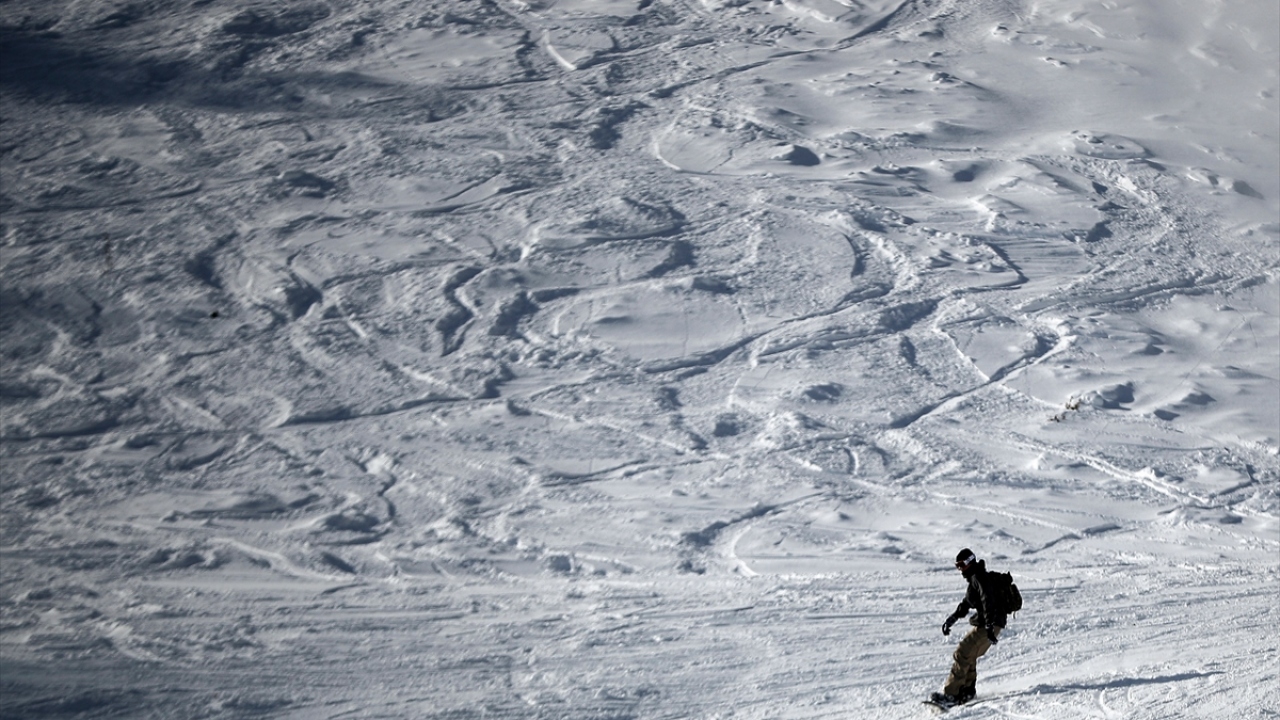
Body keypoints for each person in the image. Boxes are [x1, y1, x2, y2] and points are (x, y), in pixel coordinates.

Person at [930, 548, 1008, 707]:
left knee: (962, 652)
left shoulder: (979, 577)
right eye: (957, 566)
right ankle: (967, 691)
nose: (960, 569)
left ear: (970, 561)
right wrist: (952, 619)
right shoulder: (975, 578)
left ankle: (951, 695)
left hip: (990, 623)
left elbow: (988, 601)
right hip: (989, 623)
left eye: (962, 565)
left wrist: (989, 625)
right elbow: (966, 604)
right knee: (969, 655)